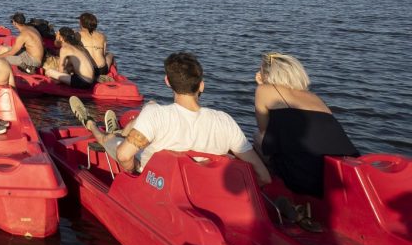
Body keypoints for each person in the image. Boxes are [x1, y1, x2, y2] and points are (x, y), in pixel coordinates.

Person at [70, 52, 271, 186]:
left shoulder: (158, 114)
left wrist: (133, 172)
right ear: (201, 85)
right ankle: (120, 131)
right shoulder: (225, 121)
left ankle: (93, 127)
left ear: (168, 82)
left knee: (113, 140)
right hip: (203, 187)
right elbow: (263, 176)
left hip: (157, 183)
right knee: (147, 112)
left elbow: (123, 156)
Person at [254, 52, 358, 197]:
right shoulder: (314, 97)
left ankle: (271, 188)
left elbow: (264, 131)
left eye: (261, 70)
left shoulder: (264, 90)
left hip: (306, 177)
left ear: (268, 75)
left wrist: (261, 85)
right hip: (341, 174)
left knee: (258, 138)